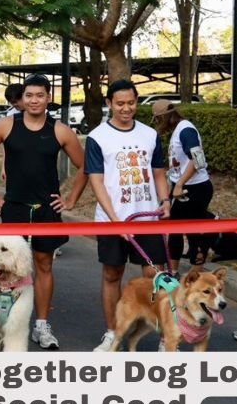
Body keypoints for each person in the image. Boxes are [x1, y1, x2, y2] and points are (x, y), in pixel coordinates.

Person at [0, 73, 88, 349]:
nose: (34, 100)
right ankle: (3, 323)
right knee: (5, 267)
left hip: (46, 209)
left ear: (48, 98)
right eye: (29, 95)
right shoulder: (5, 125)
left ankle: (41, 326)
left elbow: (85, 165)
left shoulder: (60, 130)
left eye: (40, 95)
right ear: (22, 99)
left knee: (43, 265)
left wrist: (71, 199)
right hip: (14, 207)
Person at [86, 79, 172, 351]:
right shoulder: (97, 137)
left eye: (131, 103)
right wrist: (115, 220)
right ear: (109, 103)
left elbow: (159, 173)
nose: (126, 108)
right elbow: (97, 182)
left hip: (147, 219)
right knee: (112, 274)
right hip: (112, 221)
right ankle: (113, 333)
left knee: (156, 276)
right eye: (120, 103)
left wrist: (165, 200)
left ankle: (166, 336)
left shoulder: (149, 134)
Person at [152, 99, 217, 265]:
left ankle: (194, 270)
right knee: (177, 228)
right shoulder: (178, 130)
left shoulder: (186, 130)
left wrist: (180, 184)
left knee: (189, 230)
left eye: (158, 120)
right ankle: (175, 270)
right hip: (183, 185)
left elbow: (198, 160)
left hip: (194, 188)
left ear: (164, 117)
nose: (158, 125)